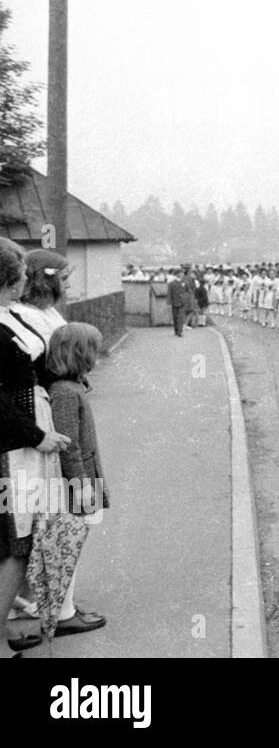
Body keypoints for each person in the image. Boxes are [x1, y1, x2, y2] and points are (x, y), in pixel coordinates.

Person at [0, 238, 73, 655]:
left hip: (26, 438)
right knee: (15, 539)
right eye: (22, 274)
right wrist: (36, 435)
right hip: (15, 447)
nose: (28, 279)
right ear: (8, 282)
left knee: (19, 537)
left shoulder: (10, 315)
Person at [46, 322, 110, 639]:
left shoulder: (71, 387)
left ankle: (66, 606)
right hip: (78, 480)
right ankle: (64, 613)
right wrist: (82, 485)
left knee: (76, 542)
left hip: (83, 477)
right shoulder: (65, 392)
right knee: (71, 543)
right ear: (80, 354)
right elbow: (69, 444)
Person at [167, 271, 186, 337]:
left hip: (182, 302)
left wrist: (186, 298)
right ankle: (176, 330)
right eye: (181, 273)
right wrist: (169, 301)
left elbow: (189, 291)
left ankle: (180, 332)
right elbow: (169, 293)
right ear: (177, 274)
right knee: (175, 317)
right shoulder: (171, 283)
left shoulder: (185, 282)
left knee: (180, 317)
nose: (182, 274)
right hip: (174, 302)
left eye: (182, 273)